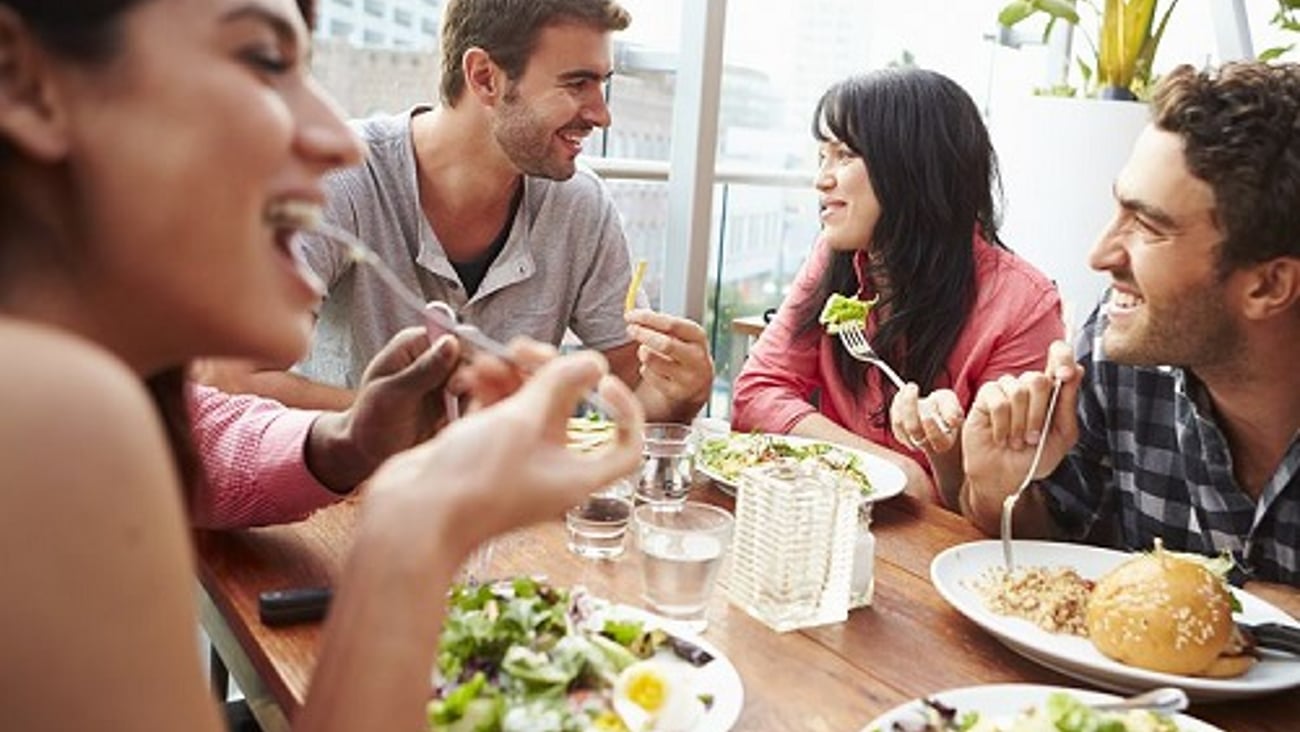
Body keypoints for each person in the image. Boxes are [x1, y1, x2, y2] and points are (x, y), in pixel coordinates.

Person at [0, 2, 645, 730]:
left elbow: (213, 432)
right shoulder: (45, 413)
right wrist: (419, 526)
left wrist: (362, 446)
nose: (335, 143)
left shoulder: (97, 399)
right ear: (22, 81)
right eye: (263, 60)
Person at [199, 0, 714, 424]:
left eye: (604, 84)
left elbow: (632, 396)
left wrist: (677, 395)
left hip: (505, 520)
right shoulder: (343, 178)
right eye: (577, 84)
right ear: (485, 77)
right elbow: (229, 377)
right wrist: (417, 426)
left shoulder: (581, 205)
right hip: (339, 510)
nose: (602, 114)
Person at [959, 62, 1300, 613]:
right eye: (1119, 209)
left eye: (1148, 226)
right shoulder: (1123, 346)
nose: (1099, 255)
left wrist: (1234, 604)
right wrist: (1003, 488)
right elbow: (1055, 553)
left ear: (1268, 284)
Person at [731, 68, 1063, 507]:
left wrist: (941, 460)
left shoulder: (1023, 307)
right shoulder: (834, 258)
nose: (821, 179)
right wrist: (891, 466)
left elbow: (1000, 505)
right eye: (821, 157)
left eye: (845, 155)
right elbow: (755, 394)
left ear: (913, 167)